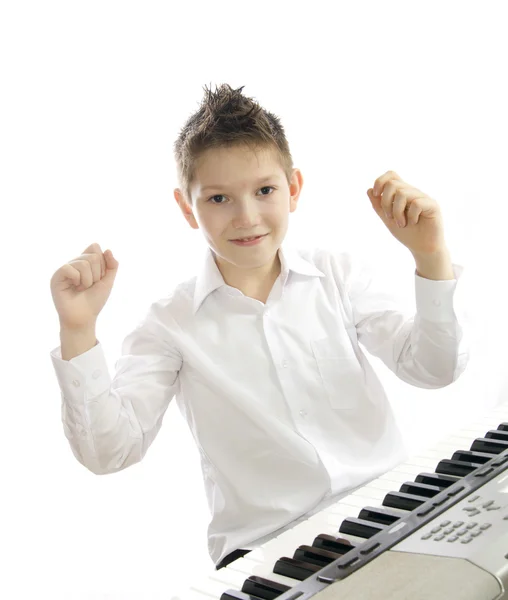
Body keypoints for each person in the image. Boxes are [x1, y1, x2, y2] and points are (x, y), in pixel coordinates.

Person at [49, 83, 469, 570]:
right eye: (219, 198)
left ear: (293, 189)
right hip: (272, 554)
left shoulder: (338, 275)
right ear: (188, 208)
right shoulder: (168, 325)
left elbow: (434, 369)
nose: (246, 217)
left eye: (264, 190)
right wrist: (77, 330)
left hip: (394, 515)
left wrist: (430, 255)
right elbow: (110, 452)